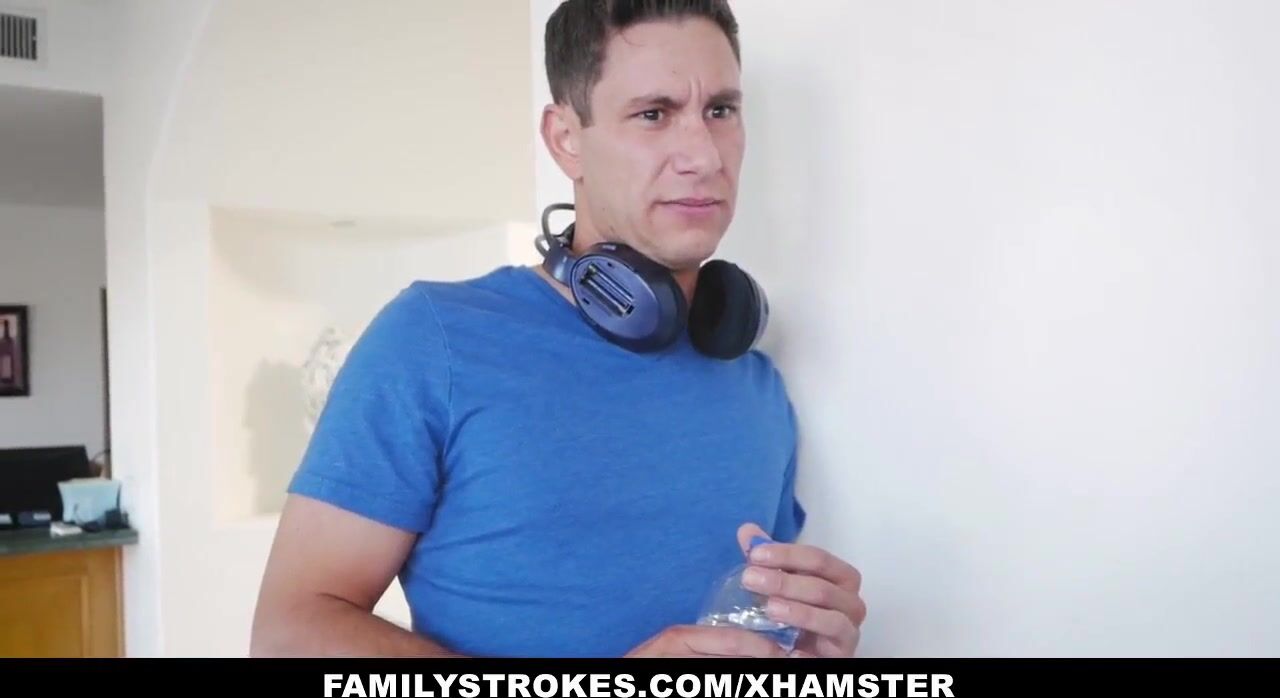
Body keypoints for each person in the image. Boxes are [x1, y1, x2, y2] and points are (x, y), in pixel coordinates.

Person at [250, 0, 865, 658]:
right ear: (566, 138)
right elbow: (289, 635)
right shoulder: (433, 341)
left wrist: (800, 650)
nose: (704, 155)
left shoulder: (757, 384)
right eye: (653, 114)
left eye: (720, 110)